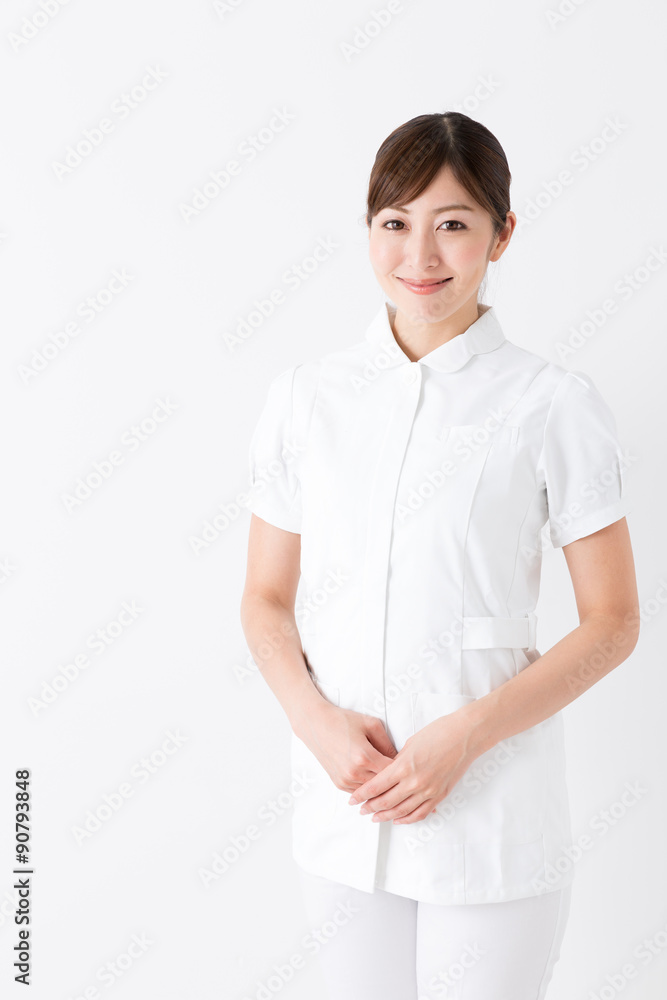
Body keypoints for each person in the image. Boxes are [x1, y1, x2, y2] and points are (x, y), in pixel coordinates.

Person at [239, 111, 640, 1000]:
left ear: (502, 232)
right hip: (343, 807)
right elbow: (265, 599)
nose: (420, 254)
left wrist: (465, 737)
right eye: (395, 223)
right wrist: (315, 722)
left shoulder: (551, 403)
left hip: (490, 813)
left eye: (452, 223)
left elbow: (612, 623)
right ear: (369, 230)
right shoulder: (306, 399)